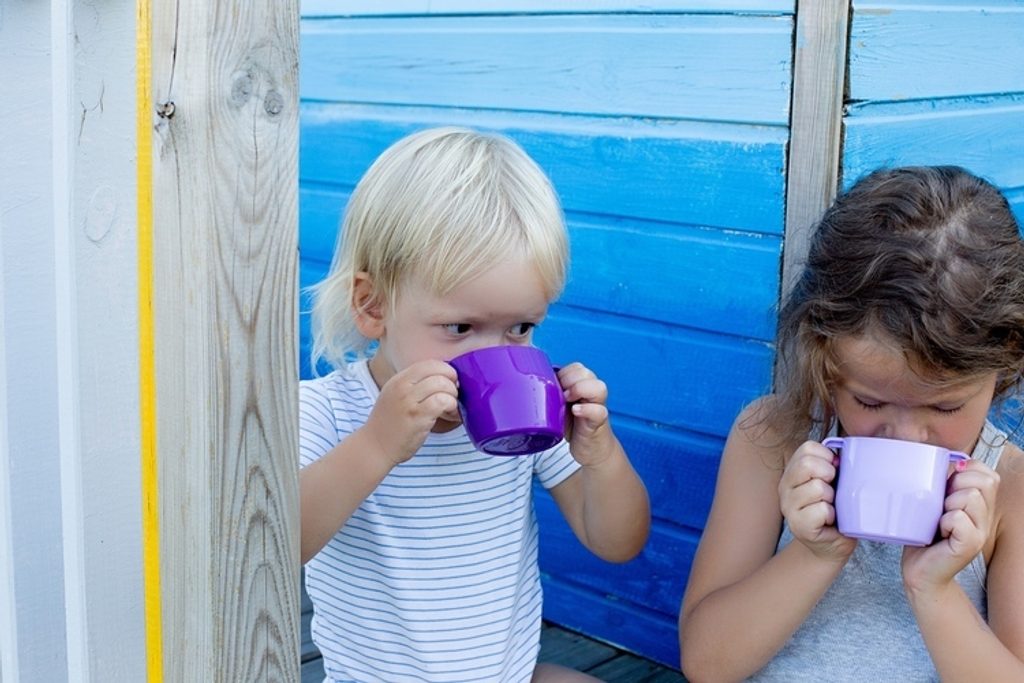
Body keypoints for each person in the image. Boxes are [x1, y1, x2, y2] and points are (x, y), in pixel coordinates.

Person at [300, 126, 650, 683]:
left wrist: (600, 456)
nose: (493, 356)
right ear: (373, 306)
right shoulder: (327, 412)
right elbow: (278, 545)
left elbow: (617, 542)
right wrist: (376, 445)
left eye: (520, 327)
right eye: (460, 328)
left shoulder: (530, 412)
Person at [678, 166, 1024, 681]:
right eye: (869, 401)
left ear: (1005, 367)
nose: (906, 436)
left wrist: (934, 589)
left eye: (945, 408)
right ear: (822, 354)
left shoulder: (1010, 490)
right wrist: (815, 555)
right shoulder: (773, 439)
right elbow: (706, 663)